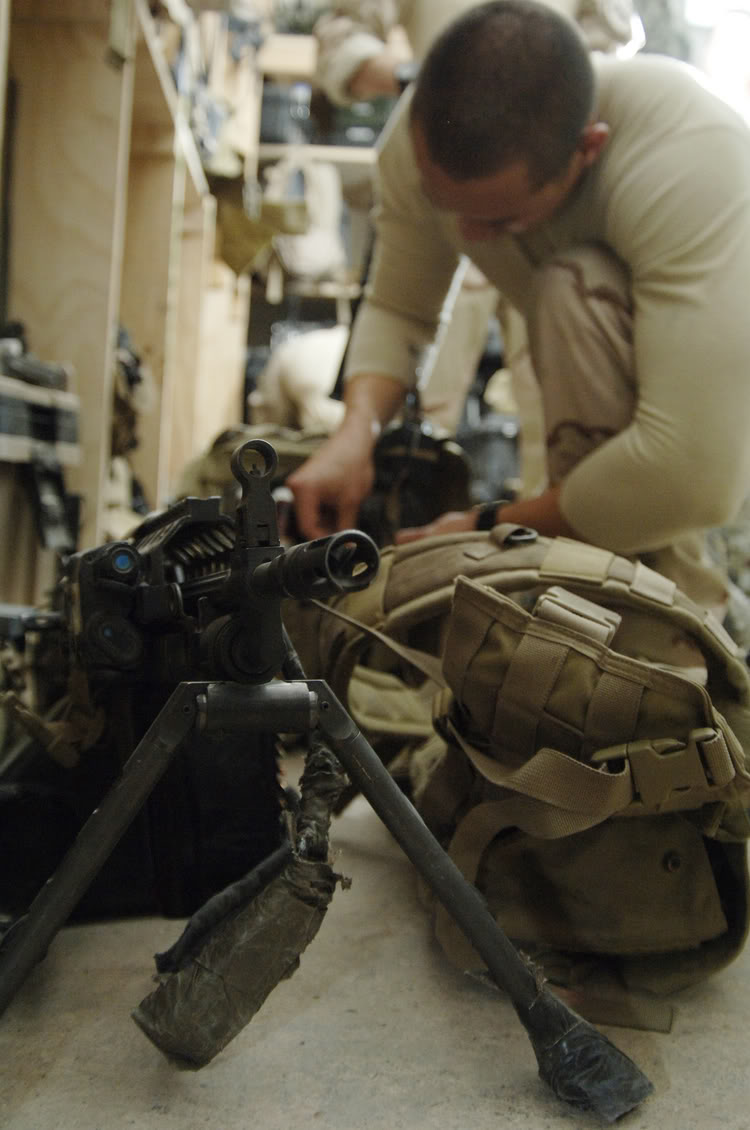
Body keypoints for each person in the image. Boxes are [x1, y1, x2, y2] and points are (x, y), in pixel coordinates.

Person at [289, 0, 750, 618]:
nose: (470, 238)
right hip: (656, 440)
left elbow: (693, 475)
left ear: (589, 149)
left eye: (500, 220)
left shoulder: (689, 159)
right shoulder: (417, 134)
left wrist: (490, 527)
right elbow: (401, 305)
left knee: (572, 288)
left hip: (720, 427)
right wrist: (355, 434)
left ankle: (680, 636)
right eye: (448, 208)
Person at [308, 0, 639, 438]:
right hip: (445, 190)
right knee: (417, 415)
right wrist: (428, 85)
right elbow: (341, 38)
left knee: (567, 419)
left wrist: (543, 109)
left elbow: (608, 47)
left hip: (548, 202)